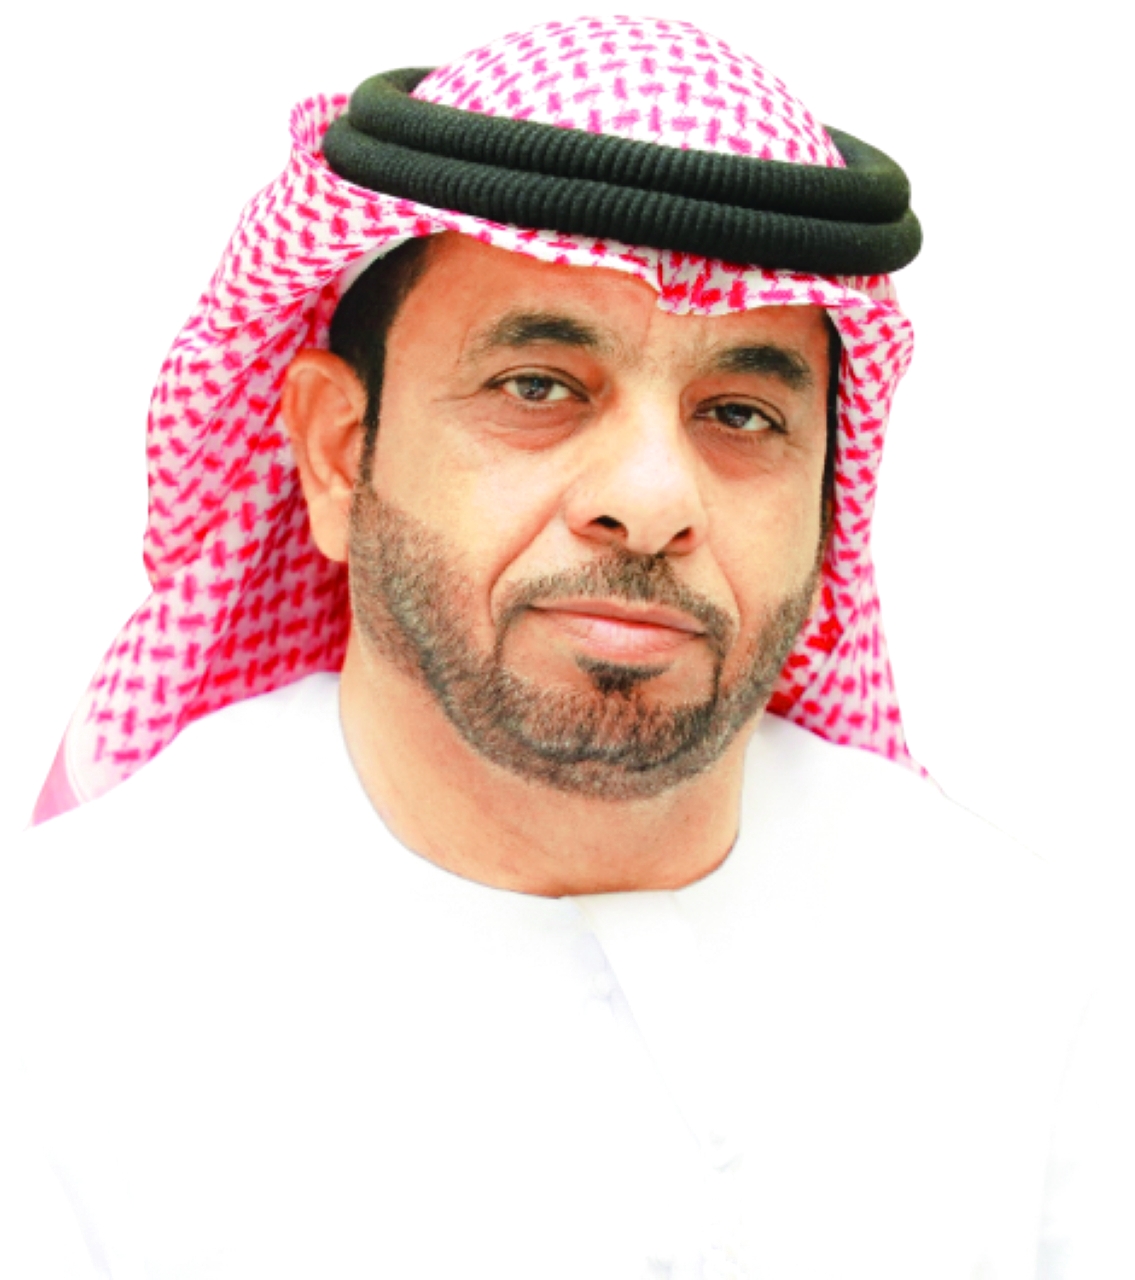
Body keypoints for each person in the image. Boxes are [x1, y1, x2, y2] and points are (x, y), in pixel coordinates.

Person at [0, 16, 1119, 1279]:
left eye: (740, 412)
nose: (651, 499)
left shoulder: (1024, 968)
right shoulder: (59, 1000)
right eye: (537, 386)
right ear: (338, 453)